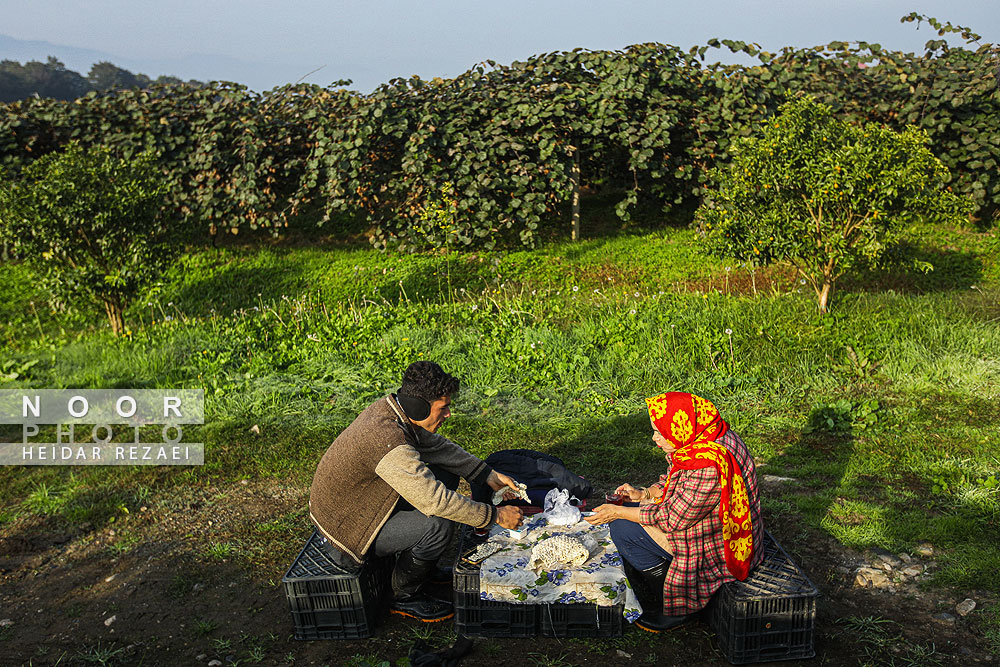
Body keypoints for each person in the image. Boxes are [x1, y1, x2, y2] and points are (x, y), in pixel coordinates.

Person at [309, 361, 524, 623]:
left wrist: (486, 474)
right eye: (443, 409)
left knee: (444, 474)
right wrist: (496, 517)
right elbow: (435, 502)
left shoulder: (394, 412)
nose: (448, 415)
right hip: (347, 535)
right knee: (439, 524)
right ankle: (404, 596)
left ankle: (423, 566)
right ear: (420, 407)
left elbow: (438, 448)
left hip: (355, 508)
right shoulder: (386, 441)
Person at [586, 392, 764, 632]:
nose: (654, 438)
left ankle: (679, 606)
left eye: (660, 432)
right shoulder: (708, 436)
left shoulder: (708, 465)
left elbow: (673, 518)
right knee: (628, 510)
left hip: (719, 544)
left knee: (622, 528)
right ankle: (662, 576)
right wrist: (644, 494)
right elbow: (676, 480)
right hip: (723, 524)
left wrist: (617, 513)